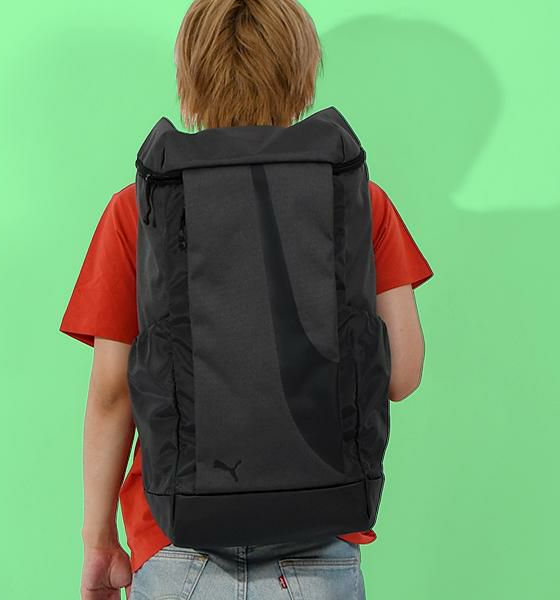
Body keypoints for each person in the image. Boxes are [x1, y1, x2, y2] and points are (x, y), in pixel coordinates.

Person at [59, 1, 434, 598]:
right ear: (301, 77)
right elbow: (402, 374)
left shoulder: (139, 208)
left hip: (175, 542)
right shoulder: (359, 201)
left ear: (189, 79)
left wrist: (98, 542)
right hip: (319, 539)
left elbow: (111, 391)